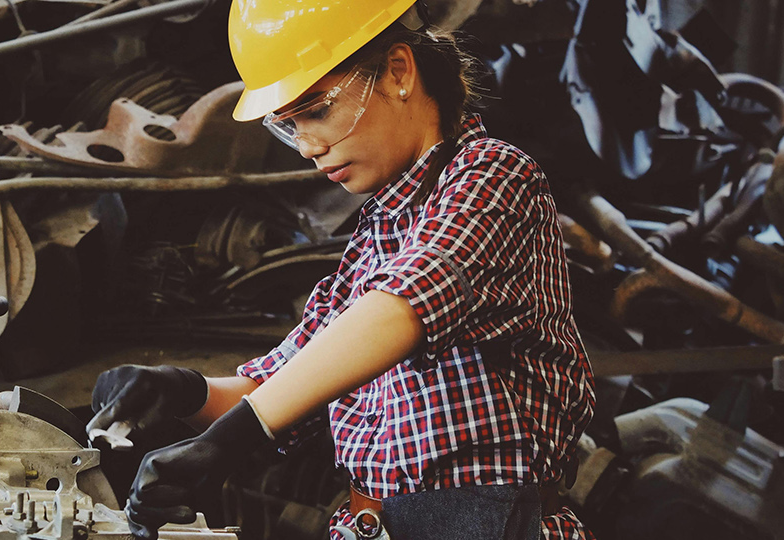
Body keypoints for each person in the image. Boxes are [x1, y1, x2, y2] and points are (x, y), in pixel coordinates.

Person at [87, 1, 596, 538]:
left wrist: (231, 439)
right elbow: (282, 387)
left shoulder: (494, 176)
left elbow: (405, 307)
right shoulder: (375, 235)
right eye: (288, 126)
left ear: (399, 71)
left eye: (317, 110)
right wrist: (179, 390)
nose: (308, 146)